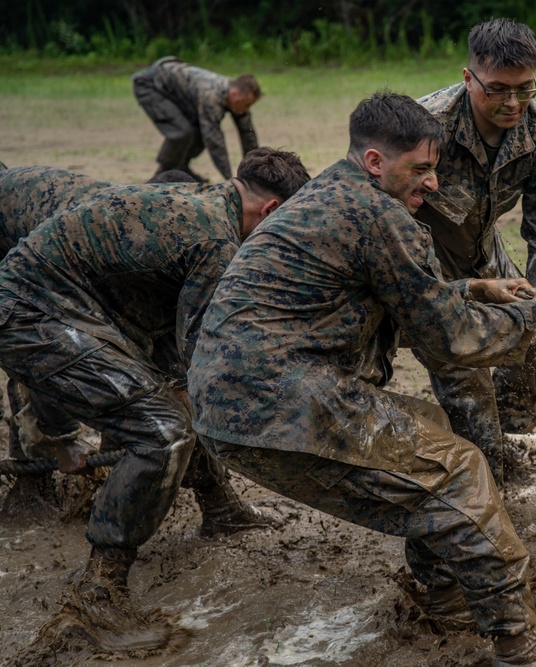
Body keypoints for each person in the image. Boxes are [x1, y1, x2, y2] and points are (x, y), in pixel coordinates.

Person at [188, 92, 536, 666]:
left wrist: (476, 287)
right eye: (421, 170)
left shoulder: (335, 193)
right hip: (279, 396)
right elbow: (450, 339)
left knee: (430, 428)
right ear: (376, 162)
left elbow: (403, 293)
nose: (432, 184)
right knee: (460, 472)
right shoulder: (379, 216)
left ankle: (443, 591)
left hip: (230, 401)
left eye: (435, 169)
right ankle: (519, 647)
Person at [0, 148, 310, 654]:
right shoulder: (217, 241)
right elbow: (202, 362)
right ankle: (99, 594)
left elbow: (177, 353)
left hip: (59, 301)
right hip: (33, 310)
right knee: (163, 433)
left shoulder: (209, 203)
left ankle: (218, 505)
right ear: (270, 212)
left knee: (167, 397)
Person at [0, 165, 274, 537]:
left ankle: (218, 501)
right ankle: (33, 484)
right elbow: (39, 351)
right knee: (45, 350)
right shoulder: (100, 239)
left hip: (55, 258)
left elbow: (176, 357)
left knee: (158, 387)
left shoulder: (169, 232)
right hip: (20, 263)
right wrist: (59, 439)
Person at [415, 18, 536, 483]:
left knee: (535, 346)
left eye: (525, 90)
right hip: (425, 261)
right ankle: (481, 480)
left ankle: (498, 444)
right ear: (469, 78)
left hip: (485, 250)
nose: (513, 103)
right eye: (498, 89)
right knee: (466, 374)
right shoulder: (427, 127)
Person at [132, 56, 262, 182]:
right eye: (246, 104)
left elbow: (248, 134)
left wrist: (254, 174)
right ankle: (162, 175)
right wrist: (230, 180)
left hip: (176, 90)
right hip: (150, 85)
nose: (246, 109)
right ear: (234, 93)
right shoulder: (211, 97)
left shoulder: (236, 96)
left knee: (199, 131)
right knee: (182, 132)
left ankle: (181, 167)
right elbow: (214, 142)